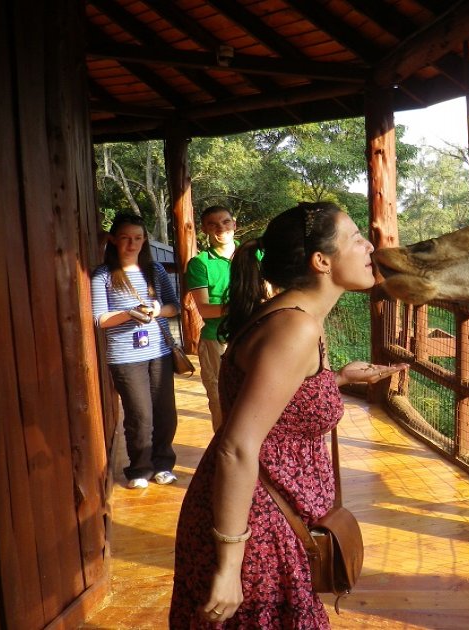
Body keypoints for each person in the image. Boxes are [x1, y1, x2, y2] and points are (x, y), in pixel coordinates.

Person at [170, 202, 408, 628]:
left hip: (267, 517)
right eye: (356, 238)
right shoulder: (295, 327)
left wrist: (335, 380)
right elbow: (236, 447)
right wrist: (229, 566)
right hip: (257, 527)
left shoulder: (289, 317)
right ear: (321, 262)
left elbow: (274, 404)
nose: (370, 246)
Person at [91, 212, 182, 489]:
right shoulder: (103, 274)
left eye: (138, 239)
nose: (132, 245)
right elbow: (100, 319)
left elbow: (174, 306)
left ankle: (163, 464)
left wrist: (156, 310)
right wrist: (129, 314)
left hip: (158, 351)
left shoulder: (154, 271)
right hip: (125, 356)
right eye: (125, 239)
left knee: (165, 412)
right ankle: (139, 468)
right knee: (140, 414)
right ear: (113, 240)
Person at [186, 205, 239, 432]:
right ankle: (220, 460)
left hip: (251, 336)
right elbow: (205, 310)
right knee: (220, 402)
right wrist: (243, 306)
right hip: (216, 340)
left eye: (225, 222)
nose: (221, 228)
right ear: (204, 229)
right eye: (213, 224)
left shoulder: (254, 255)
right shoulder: (200, 263)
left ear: (234, 224)